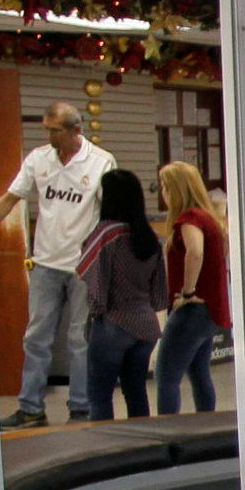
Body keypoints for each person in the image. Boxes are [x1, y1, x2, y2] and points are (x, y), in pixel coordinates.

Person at [0, 102, 114, 428]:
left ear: (75, 130)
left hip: (83, 267)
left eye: (54, 130)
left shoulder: (101, 163)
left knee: (79, 339)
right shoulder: (38, 159)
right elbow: (10, 198)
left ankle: (81, 408)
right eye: (47, 129)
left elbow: (112, 215)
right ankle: (31, 408)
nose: (49, 135)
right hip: (45, 263)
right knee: (36, 337)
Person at [74, 168, 167, 422]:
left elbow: (91, 276)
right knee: (136, 390)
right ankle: (142, 444)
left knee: (99, 394)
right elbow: (160, 292)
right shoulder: (152, 238)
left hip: (113, 323)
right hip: (146, 326)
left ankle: (105, 447)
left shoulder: (106, 234)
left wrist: (96, 312)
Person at [154, 162, 231, 414]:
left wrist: (188, 291)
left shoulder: (189, 219)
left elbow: (195, 252)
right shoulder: (210, 218)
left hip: (192, 309)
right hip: (211, 310)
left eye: (165, 187)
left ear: (177, 189)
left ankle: (167, 428)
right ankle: (207, 423)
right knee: (199, 373)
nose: (162, 192)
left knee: (166, 377)